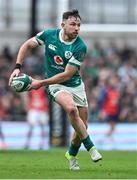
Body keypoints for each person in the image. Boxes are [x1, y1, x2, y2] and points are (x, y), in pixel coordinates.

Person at [9, 9, 102, 170]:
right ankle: (91, 148)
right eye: (73, 24)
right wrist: (18, 66)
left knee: (82, 127)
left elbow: (67, 75)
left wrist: (40, 82)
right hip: (55, 85)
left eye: (79, 25)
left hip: (74, 84)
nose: (77, 28)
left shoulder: (80, 46)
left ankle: (71, 154)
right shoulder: (49, 35)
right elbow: (27, 44)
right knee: (71, 109)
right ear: (63, 25)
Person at [24, 77, 49, 149]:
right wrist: (27, 107)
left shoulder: (44, 90)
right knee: (31, 127)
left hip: (42, 109)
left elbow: (46, 99)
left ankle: (42, 144)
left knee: (43, 127)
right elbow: (28, 98)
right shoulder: (31, 89)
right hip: (33, 109)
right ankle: (27, 143)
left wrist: (46, 108)